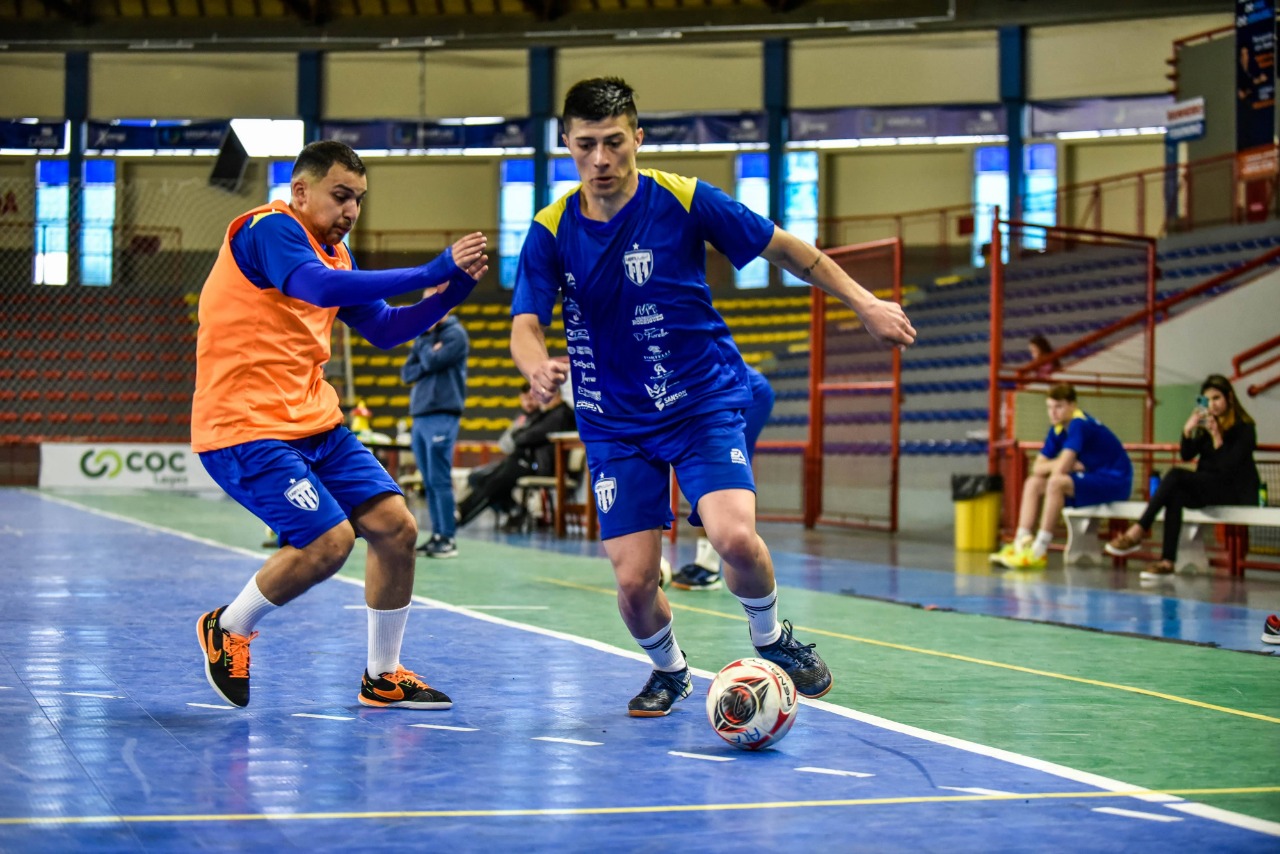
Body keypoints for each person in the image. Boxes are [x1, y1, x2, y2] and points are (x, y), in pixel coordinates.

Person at [510, 77, 916, 717]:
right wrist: (536, 370)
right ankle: (670, 671)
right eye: (586, 145)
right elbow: (526, 324)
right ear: (567, 144)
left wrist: (864, 302)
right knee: (635, 583)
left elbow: (787, 250)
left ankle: (771, 637)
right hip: (614, 423)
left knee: (734, 538)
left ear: (638, 138)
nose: (601, 159)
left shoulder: (684, 198)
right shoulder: (550, 229)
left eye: (614, 142)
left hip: (700, 400)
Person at [191, 139, 488, 711]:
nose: (351, 210)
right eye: (341, 195)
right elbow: (316, 287)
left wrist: (449, 295)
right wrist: (429, 269)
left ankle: (383, 675)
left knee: (396, 529)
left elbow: (385, 329)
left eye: (358, 199)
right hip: (245, 426)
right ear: (301, 192)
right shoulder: (267, 230)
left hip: (315, 423)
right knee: (330, 541)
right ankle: (228, 627)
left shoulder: (337, 254)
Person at [1105, 375, 1260, 580]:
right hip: (1209, 486)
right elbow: (1187, 454)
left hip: (1233, 491)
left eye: (1217, 398)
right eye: (1207, 400)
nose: (1212, 405)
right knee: (1175, 494)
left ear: (1229, 398)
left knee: (1176, 475)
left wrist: (1217, 436)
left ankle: (1139, 529)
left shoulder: (1245, 428)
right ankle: (1167, 561)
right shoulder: (1207, 425)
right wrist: (1188, 430)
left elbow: (1227, 467)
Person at [993, 382, 1132, 570]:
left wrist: (1061, 465)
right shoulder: (1057, 429)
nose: (1053, 413)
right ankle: (1021, 542)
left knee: (1056, 483)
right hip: (1093, 479)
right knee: (1033, 483)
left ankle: (1039, 549)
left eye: (1058, 407)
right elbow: (1037, 468)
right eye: (1049, 407)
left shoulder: (1079, 424)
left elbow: (1059, 470)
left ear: (1072, 405)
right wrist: (1067, 465)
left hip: (1115, 481)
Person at [669, 365, 774, 591]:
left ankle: (710, 566)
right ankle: (704, 561)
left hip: (747, 397)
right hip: (716, 398)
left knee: (717, 477)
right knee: (705, 475)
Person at [454, 387, 576, 530]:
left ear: (557, 395)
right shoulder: (544, 414)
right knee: (486, 478)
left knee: (497, 482)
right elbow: (516, 437)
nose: (542, 401)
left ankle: (462, 512)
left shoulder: (561, 414)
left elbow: (528, 436)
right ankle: (512, 511)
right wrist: (521, 435)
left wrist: (521, 435)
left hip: (540, 466)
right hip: (525, 460)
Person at [401, 312, 469, 559]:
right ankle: (437, 536)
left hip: (442, 412)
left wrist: (426, 347)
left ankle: (448, 538)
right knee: (428, 481)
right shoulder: (425, 338)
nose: (428, 310)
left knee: (439, 479)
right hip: (420, 415)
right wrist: (428, 347)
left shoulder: (455, 335)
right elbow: (407, 373)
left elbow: (430, 363)